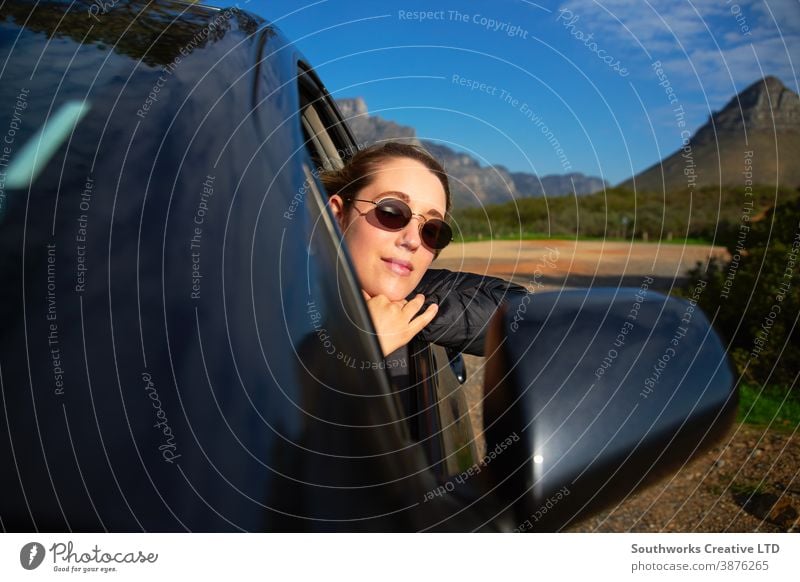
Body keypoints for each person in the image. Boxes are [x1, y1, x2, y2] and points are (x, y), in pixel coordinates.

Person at [321, 142, 526, 359]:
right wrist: (356, 346)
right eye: (391, 212)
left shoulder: (417, 291)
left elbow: (523, 312)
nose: (413, 241)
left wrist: (405, 313)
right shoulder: (285, 299)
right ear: (337, 216)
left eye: (431, 229)